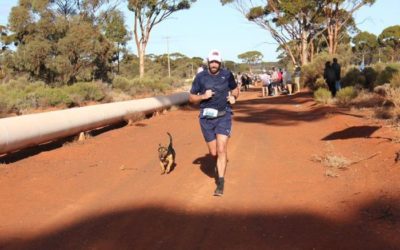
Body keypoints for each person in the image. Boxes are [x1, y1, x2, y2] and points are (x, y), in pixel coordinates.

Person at [189, 49, 239, 197]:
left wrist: (234, 97)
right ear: (208, 62)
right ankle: (218, 164)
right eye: (212, 61)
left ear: (220, 62)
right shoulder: (200, 77)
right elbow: (191, 98)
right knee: (214, 153)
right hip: (206, 119)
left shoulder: (227, 74)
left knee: (222, 149)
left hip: (224, 115)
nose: (214, 64)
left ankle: (221, 182)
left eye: (217, 61)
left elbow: (236, 90)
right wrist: (203, 96)